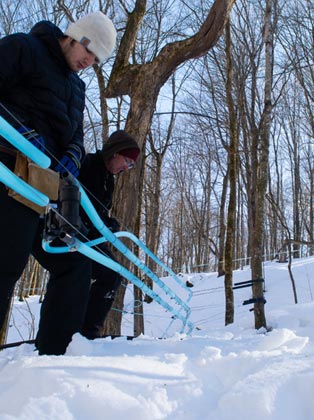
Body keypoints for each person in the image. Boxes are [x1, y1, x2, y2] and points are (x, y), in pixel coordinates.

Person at [0, 12, 116, 347]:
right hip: (10, 169)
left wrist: (73, 157)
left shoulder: (76, 88)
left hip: (44, 187)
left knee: (75, 266)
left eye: (96, 60)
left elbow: (76, 137)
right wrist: (19, 130)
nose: (89, 63)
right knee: (7, 260)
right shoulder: (24, 47)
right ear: (76, 36)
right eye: (89, 52)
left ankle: (53, 358)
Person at [32, 130, 141, 351]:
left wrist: (108, 224)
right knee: (77, 271)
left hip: (89, 234)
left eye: (131, 166)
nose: (126, 168)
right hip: (65, 229)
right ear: (115, 153)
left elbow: (99, 210)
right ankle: (66, 336)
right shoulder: (88, 164)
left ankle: (88, 331)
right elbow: (68, 196)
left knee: (111, 274)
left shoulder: (108, 180)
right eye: (127, 162)